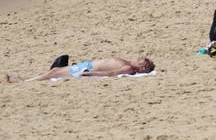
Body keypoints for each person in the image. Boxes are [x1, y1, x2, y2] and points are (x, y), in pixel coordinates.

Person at [6, 56, 155, 83]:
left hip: (87, 68)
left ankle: (25, 82)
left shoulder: (128, 68)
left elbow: (110, 73)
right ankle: (28, 80)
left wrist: (90, 74)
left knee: (54, 72)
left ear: (142, 67)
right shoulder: (128, 63)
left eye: (141, 61)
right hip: (87, 65)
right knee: (57, 69)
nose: (138, 59)